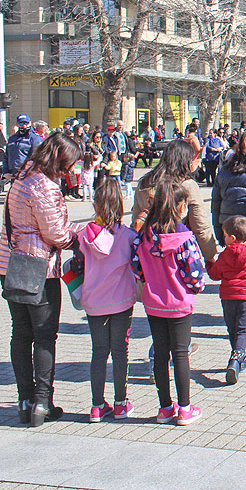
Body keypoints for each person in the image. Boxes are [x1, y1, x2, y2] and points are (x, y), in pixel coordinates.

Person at [0, 132, 81, 426]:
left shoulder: (22, 176)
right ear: (59, 160)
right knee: (45, 336)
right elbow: (56, 234)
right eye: (69, 163)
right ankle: (43, 402)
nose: (70, 169)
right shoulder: (45, 186)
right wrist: (79, 237)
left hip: (10, 264)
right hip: (39, 268)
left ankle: (25, 401)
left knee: (20, 334)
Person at [131, 179, 206, 425]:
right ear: (180, 206)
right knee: (180, 353)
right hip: (180, 303)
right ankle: (185, 408)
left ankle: (165, 408)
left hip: (153, 302)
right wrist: (195, 288)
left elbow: (137, 267)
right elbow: (195, 273)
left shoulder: (144, 236)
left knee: (160, 354)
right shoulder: (184, 237)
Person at [77, 177, 139, 422]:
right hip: (121, 301)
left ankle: (96, 405)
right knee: (120, 351)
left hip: (94, 302)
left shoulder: (85, 235)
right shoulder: (128, 236)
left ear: (96, 205)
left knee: (99, 352)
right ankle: (121, 403)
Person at [208, 215, 246, 385]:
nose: (224, 238)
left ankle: (238, 356)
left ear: (232, 238)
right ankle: (236, 358)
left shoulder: (225, 255)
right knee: (244, 329)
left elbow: (215, 274)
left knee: (233, 328)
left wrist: (209, 263)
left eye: (225, 235)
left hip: (228, 297)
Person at [133, 141, 217, 263]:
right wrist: (210, 255)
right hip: (177, 250)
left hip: (148, 250)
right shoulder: (187, 185)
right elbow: (200, 224)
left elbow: (137, 218)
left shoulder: (145, 183)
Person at [3, 114, 44, 178]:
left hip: (28, 174)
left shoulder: (35, 138)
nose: (24, 126)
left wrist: (28, 172)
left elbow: (37, 157)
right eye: (21, 123)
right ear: (17, 124)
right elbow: (6, 156)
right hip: (13, 173)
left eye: (26, 123)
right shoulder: (12, 138)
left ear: (30, 123)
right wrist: (5, 172)